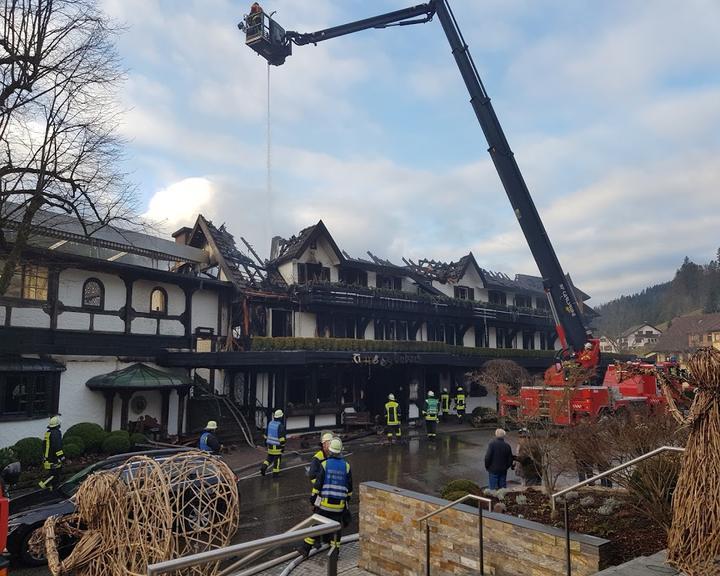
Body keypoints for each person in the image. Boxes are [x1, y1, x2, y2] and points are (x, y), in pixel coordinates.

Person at [300, 438, 352, 557]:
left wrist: (313, 499)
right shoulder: (347, 467)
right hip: (339, 506)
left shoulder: (324, 464)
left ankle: (305, 548)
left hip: (325, 505)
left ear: (330, 451)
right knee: (336, 529)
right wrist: (346, 502)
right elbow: (349, 489)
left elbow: (318, 485)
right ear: (340, 451)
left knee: (316, 524)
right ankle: (334, 553)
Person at [303, 431, 334, 551]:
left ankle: (323, 539)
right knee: (318, 515)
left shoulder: (331, 456)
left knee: (326, 516)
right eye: (327, 444)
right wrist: (320, 485)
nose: (329, 446)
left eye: (331, 443)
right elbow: (312, 476)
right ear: (323, 444)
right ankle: (313, 541)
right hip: (319, 493)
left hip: (328, 492)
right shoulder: (317, 458)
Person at [39, 416, 64, 490]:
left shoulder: (48, 433)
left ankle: (51, 491)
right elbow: (57, 446)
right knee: (54, 477)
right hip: (54, 460)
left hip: (47, 459)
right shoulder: (56, 433)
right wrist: (62, 457)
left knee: (52, 476)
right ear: (58, 424)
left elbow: (44, 446)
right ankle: (40, 488)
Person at [260, 409, 286, 477]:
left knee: (269, 458)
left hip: (270, 445)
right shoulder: (280, 426)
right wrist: (283, 446)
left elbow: (265, 434)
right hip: (277, 446)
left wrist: (265, 442)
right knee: (277, 459)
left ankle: (263, 467)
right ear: (280, 417)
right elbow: (282, 438)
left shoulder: (270, 423)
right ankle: (275, 474)